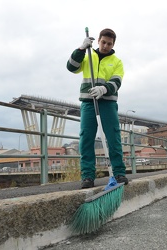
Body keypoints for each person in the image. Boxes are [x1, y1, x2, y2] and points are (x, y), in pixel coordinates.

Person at [66, 28, 128, 189]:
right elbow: (71, 67)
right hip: (88, 102)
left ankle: (119, 173)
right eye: (103, 42)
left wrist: (104, 89)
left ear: (113, 44)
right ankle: (87, 176)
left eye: (109, 43)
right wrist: (80, 49)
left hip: (107, 103)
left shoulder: (117, 62)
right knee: (86, 138)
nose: (106, 45)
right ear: (98, 41)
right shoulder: (88, 57)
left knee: (113, 137)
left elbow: (117, 81)